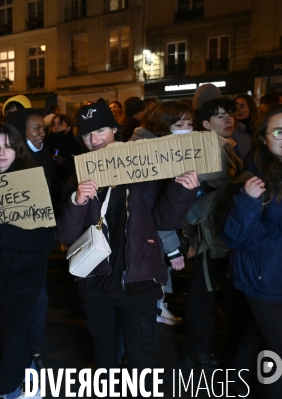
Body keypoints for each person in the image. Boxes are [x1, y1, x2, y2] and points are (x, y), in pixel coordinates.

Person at [55, 102, 198, 391]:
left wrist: (182, 190)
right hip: (97, 283)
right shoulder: (78, 175)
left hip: (140, 281)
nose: (94, 140)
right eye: (86, 135)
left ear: (115, 129)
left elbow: (164, 219)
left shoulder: (144, 165)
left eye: (100, 130)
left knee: (142, 355)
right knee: (105, 353)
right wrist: (77, 202)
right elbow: (66, 235)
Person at [0, 123, 58, 399]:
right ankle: (23, 384)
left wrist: (1, 233)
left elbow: (46, 238)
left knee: (15, 336)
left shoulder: (33, 184)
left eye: (7, 146)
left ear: (17, 150)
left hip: (24, 276)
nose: (1, 152)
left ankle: (9, 391)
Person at [222, 105, 282, 399]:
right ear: (264, 137)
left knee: (259, 334)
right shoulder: (256, 176)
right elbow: (236, 238)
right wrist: (247, 201)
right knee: (279, 351)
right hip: (266, 279)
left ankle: (236, 385)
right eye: (279, 132)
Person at [180, 95, 243, 370]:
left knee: (211, 292)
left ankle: (204, 348)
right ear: (205, 124)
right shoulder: (208, 149)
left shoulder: (228, 146)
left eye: (229, 113)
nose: (228, 119)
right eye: (220, 115)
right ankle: (197, 350)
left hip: (220, 232)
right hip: (211, 234)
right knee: (203, 294)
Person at [130, 100, 197, 326]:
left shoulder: (161, 147)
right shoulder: (148, 153)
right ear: (163, 124)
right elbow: (153, 210)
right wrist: (172, 249)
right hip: (149, 237)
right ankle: (155, 308)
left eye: (190, 123)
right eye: (180, 124)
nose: (187, 129)